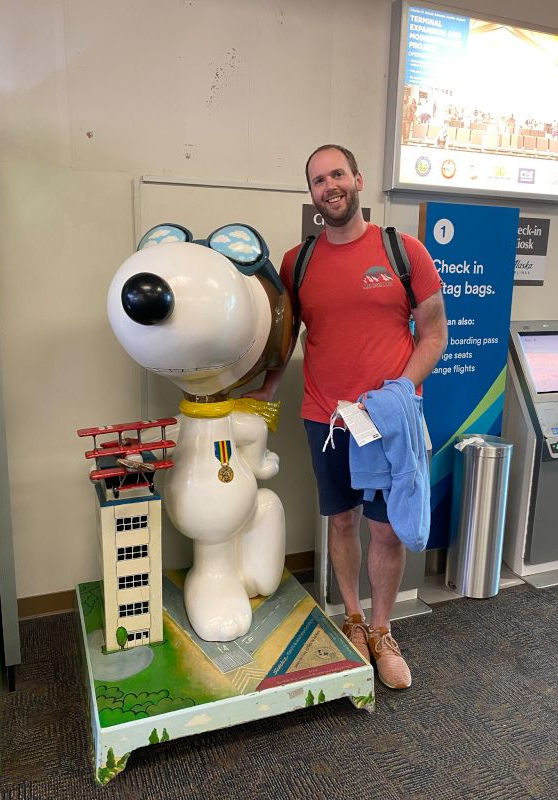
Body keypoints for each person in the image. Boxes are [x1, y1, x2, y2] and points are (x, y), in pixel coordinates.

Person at [247, 144, 447, 689]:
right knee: (341, 521)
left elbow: (434, 334)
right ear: (311, 194)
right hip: (326, 419)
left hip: (390, 421)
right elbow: (284, 339)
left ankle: (383, 631)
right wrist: (260, 394)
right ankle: (353, 620)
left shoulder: (403, 251)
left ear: (357, 179)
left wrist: (402, 390)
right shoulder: (298, 261)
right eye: (317, 180)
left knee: (385, 532)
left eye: (337, 174)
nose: (329, 186)